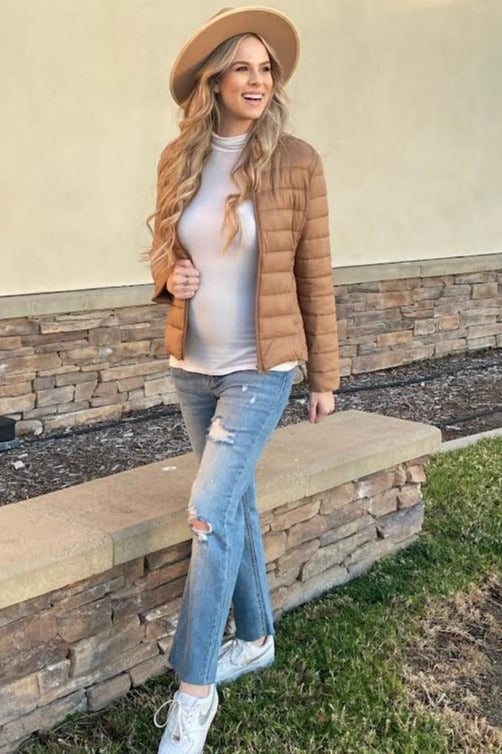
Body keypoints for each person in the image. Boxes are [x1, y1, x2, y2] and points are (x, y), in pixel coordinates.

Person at [147, 7, 339, 753]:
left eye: (266, 69)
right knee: (232, 504)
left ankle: (194, 693)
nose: (257, 81)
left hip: (262, 367)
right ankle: (255, 637)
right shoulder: (180, 157)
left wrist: (324, 374)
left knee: (207, 511)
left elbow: (315, 273)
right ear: (215, 80)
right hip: (191, 366)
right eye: (243, 68)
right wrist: (171, 278)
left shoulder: (297, 161)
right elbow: (164, 248)